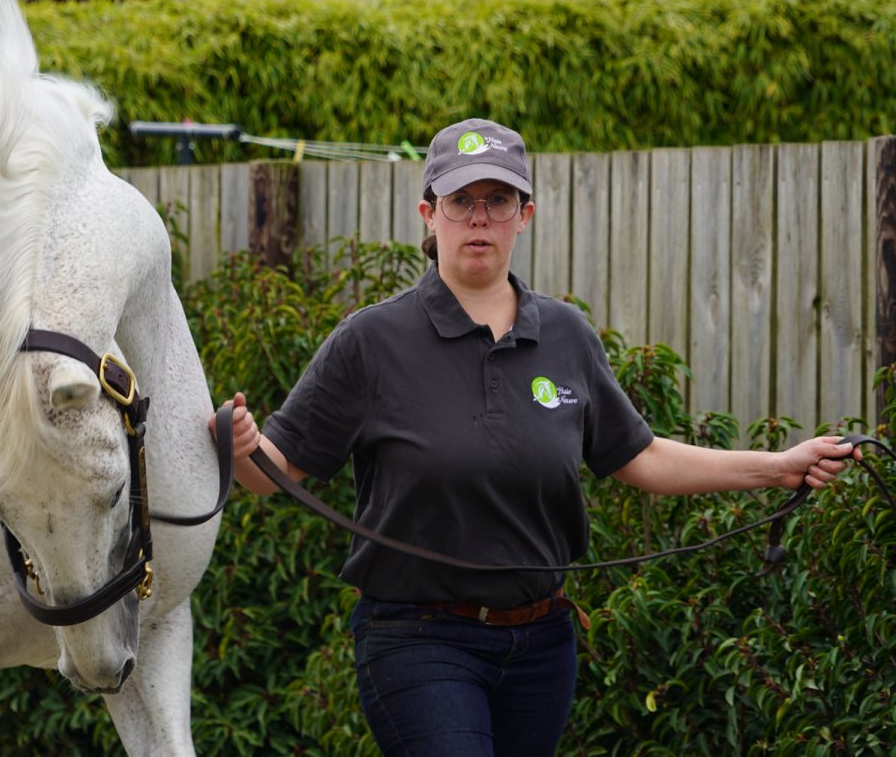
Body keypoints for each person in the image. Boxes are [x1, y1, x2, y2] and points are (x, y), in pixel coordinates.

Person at [209, 117, 860, 756]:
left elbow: (642, 457)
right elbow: (271, 473)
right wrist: (242, 446)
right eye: (461, 201)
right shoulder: (370, 341)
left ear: (524, 215)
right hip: (416, 638)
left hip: (541, 646)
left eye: (498, 200)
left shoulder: (567, 334)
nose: (479, 218)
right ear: (428, 214)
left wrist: (780, 466)